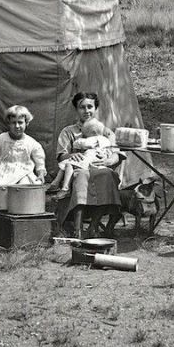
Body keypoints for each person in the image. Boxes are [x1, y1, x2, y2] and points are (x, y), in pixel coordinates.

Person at [54, 92, 124, 238]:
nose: (86, 111)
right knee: (82, 176)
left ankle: (93, 227)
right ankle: (78, 230)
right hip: (79, 168)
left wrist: (109, 160)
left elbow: (117, 152)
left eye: (90, 107)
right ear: (76, 109)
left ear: (96, 109)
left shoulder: (105, 131)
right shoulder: (68, 131)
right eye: (82, 107)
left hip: (99, 167)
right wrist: (73, 155)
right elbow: (61, 155)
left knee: (107, 175)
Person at [48, 119, 114, 199]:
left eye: (85, 134)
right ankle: (56, 183)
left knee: (68, 164)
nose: (84, 136)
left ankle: (64, 188)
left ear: (93, 132)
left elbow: (80, 144)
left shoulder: (93, 139)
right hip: (96, 159)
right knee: (67, 163)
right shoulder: (106, 140)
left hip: (89, 159)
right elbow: (110, 150)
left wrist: (78, 141)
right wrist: (106, 155)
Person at [0, 105, 46, 187]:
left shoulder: (31, 143)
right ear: (9, 124)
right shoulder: (1, 139)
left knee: (25, 186)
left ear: (26, 123)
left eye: (20, 122)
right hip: (4, 173)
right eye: (13, 123)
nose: (17, 126)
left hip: (25, 173)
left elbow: (40, 161)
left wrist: (41, 174)